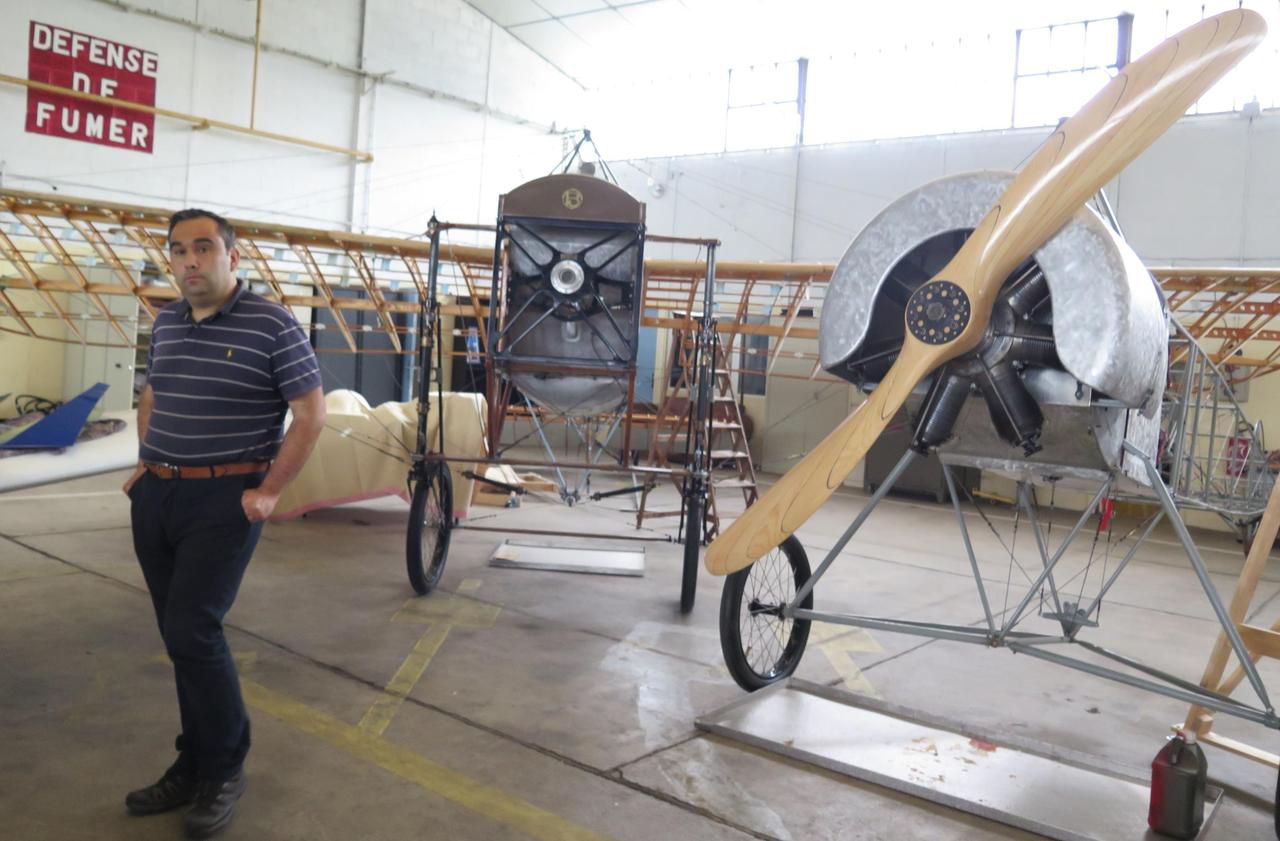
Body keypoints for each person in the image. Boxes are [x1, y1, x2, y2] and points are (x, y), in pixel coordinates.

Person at [121, 208, 326, 838]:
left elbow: (310, 414)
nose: (188, 262)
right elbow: (153, 393)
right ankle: (193, 761)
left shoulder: (272, 325)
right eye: (178, 250)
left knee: (193, 629)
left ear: (232, 257)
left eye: (203, 249)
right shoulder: (168, 322)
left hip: (224, 500)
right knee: (179, 637)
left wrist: (269, 490)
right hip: (158, 499)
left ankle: (224, 767)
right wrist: (144, 460)